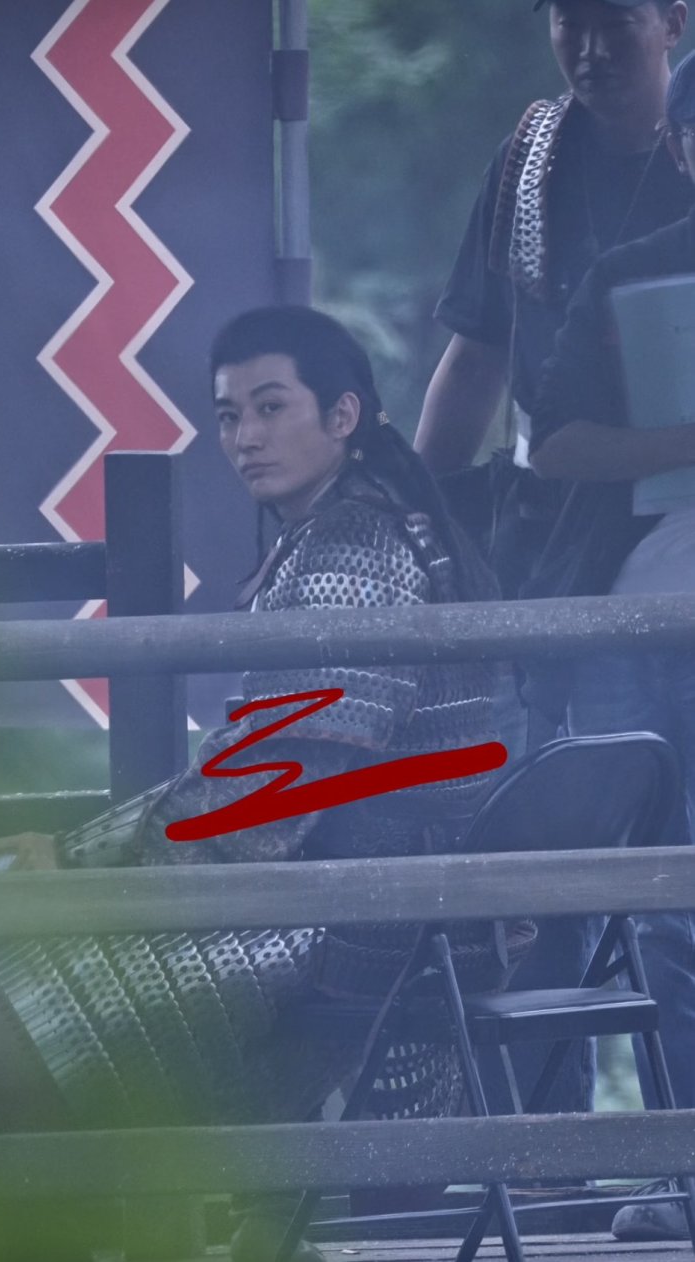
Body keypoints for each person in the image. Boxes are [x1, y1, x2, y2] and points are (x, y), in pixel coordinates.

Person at [0, 306, 533, 1262]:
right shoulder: (351, 525)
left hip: (362, 912)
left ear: (342, 416)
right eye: (228, 415)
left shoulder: (354, 549)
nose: (245, 435)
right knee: (25, 973)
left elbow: (266, 800)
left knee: (9, 995)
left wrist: (79, 865)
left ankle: (132, 1238)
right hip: (356, 887)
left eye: (271, 406)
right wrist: (80, 855)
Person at [529, 48, 695, 1242]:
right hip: (657, 619)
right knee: (672, 907)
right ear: (679, 146)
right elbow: (551, 443)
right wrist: (683, 441)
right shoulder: (632, 273)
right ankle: (683, 1166)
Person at [414, 0, 690, 597]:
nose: (591, 50)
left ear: (672, 24)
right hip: (552, 511)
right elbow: (475, 359)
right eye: (571, 24)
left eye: (615, 25)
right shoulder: (531, 159)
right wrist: (418, 519)